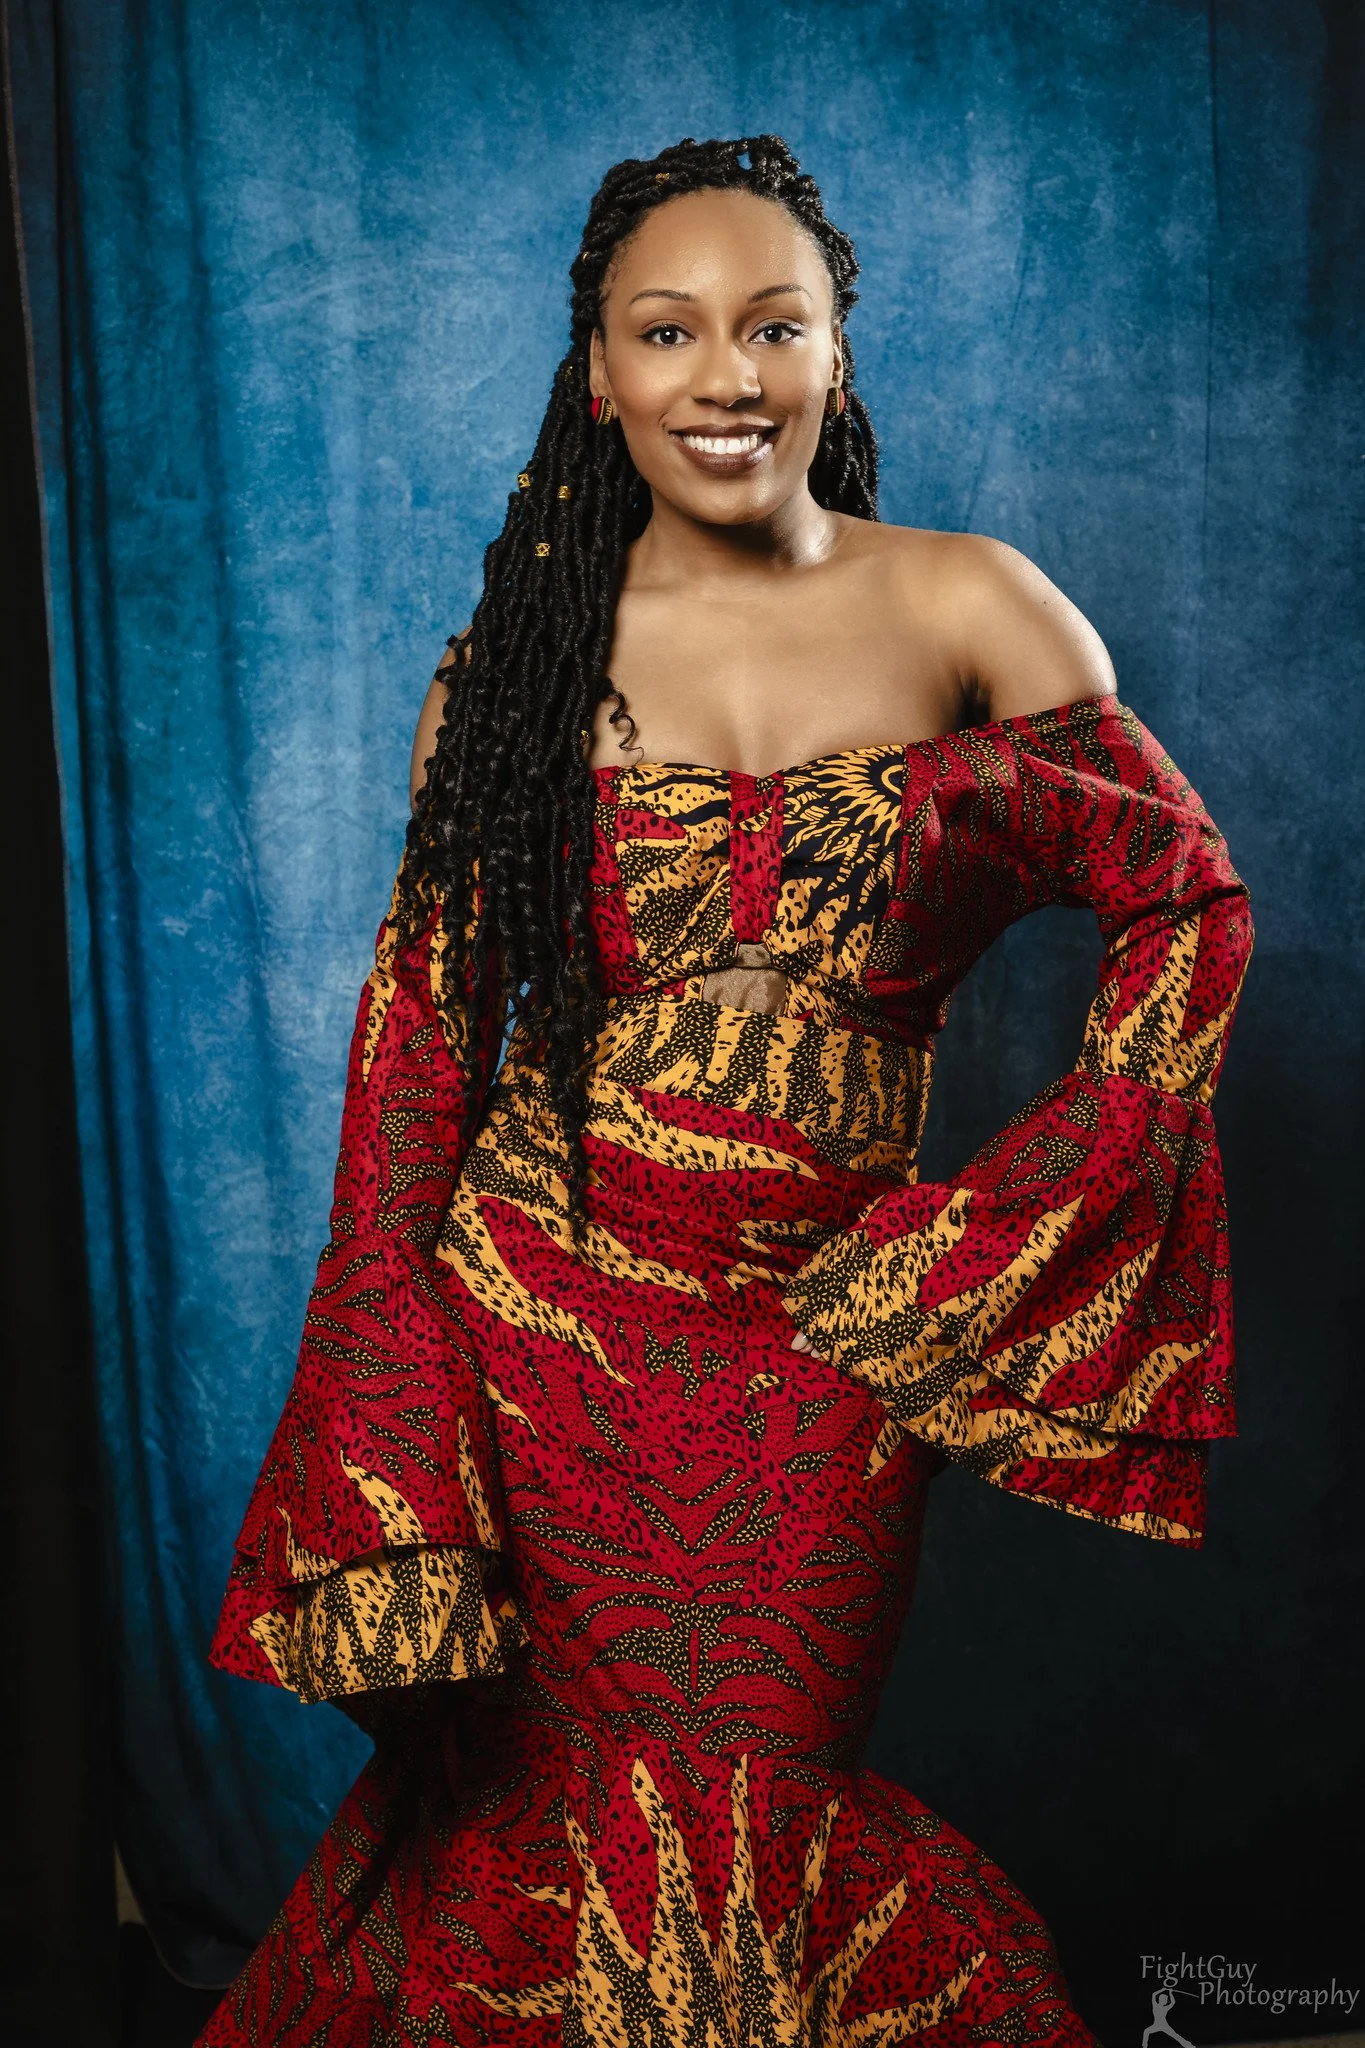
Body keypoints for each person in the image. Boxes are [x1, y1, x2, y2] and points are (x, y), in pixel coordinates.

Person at [201, 136, 1252, 2047]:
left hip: (824, 1351)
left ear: (839, 352)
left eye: (774, 326)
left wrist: (1025, 1212)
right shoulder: (519, 668)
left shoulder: (977, 608)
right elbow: (421, 1048)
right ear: (595, 372)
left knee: (756, 1799)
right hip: (539, 1319)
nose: (726, 377)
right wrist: (387, 1359)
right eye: (666, 332)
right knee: (517, 1816)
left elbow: (1186, 898)